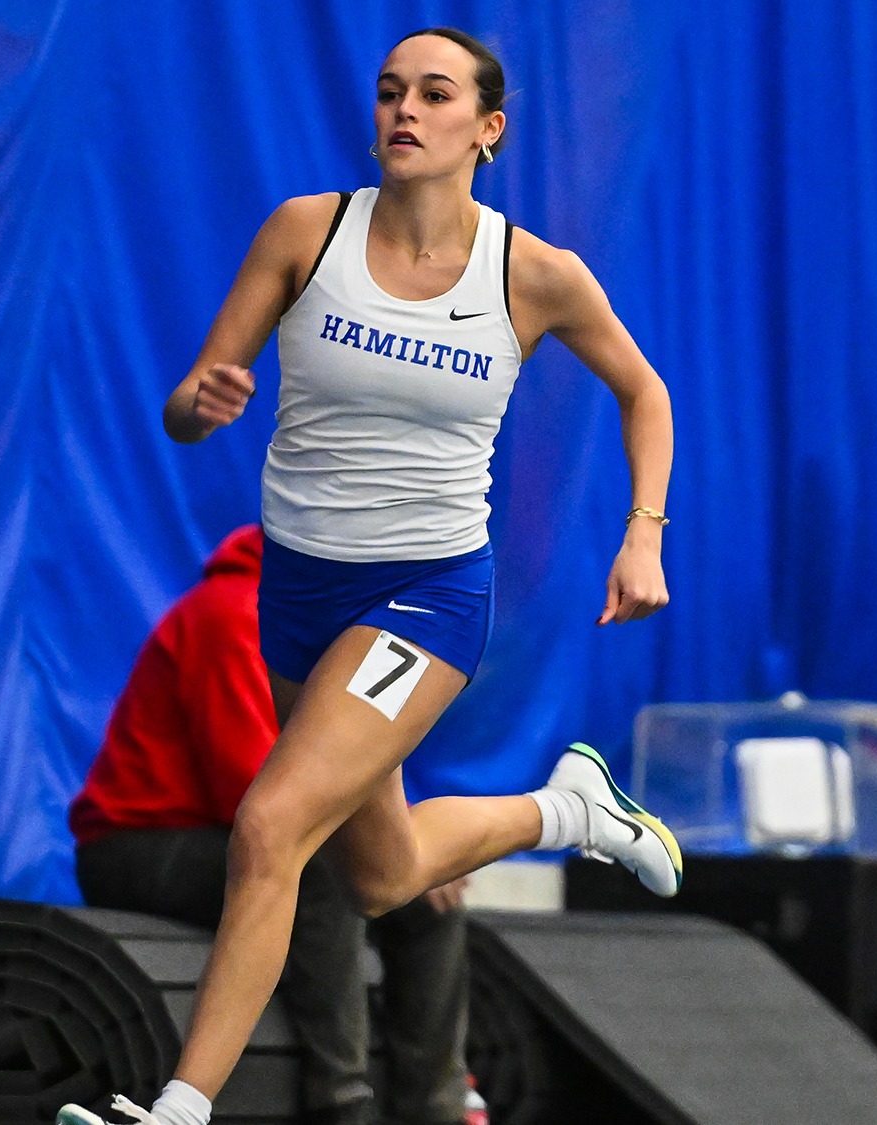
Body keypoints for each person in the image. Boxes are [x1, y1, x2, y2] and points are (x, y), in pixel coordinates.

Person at [59, 28, 682, 1125]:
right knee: (380, 874)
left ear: (484, 131)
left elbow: (644, 393)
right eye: (390, 91)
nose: (404, 109)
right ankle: (561, 811)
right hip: (298, 591)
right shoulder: (306, 232)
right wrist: (196, 404)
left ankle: (176, 1108)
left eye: (433, 95)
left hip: (427, 597)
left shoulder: (533, 276)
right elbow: (185, 403)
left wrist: (642, 534)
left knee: (268, 828)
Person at [72, 524, 480, 1125]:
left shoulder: (355, 633)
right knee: (317, 869)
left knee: (425, 894)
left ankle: (436, 1106)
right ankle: (341, 1102)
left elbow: (358, 772)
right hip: (135, 846)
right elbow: (251, 792)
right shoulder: (231, 614)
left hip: (235, 826)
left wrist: (401, 853)